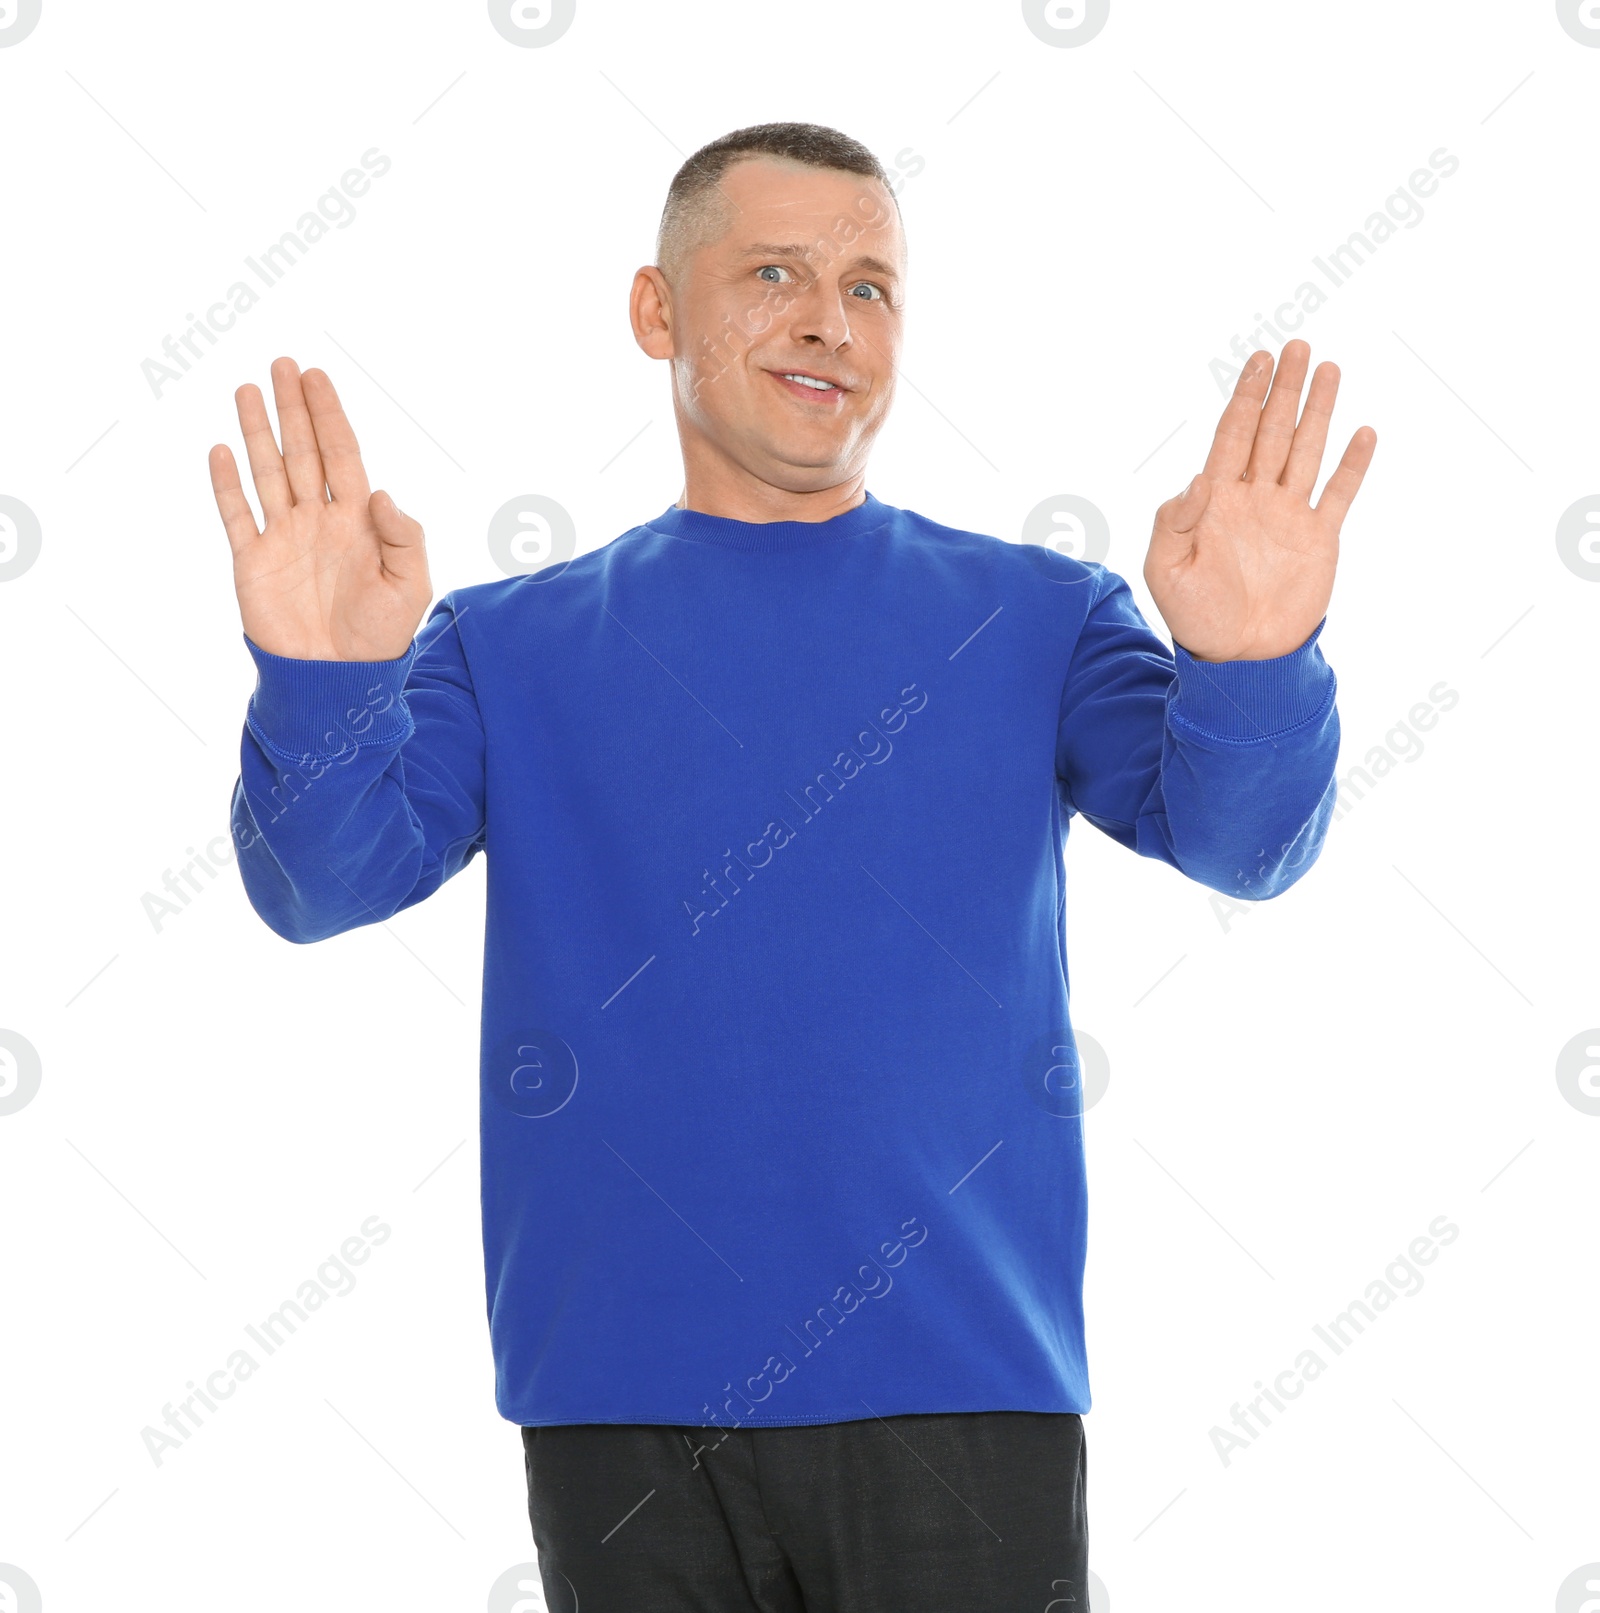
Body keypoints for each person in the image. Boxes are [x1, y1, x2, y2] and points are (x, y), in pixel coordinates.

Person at [211, 121, 1375, 1613]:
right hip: (620, 1410)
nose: (832, 317)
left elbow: (1248, 844)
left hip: (966, 1394)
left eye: (873, 285)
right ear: (657, 312)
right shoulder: (507, 645)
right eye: (775, 272)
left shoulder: (1037, 613)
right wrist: (318, 679)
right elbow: (317, 885)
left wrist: (1257, 650)